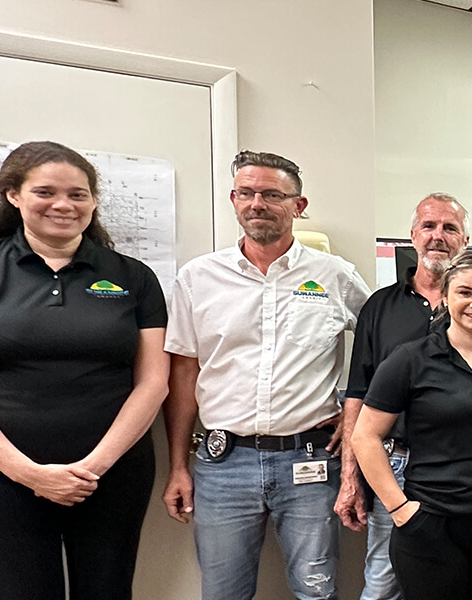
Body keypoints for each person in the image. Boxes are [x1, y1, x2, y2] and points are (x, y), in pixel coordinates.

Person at [0, 141, 169, 600]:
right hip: (0, 475)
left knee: (108, 591)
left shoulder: (133, 277)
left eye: (78, 194)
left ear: (93, 202)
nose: (64, 205)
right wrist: (29, 473)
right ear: (13, 195)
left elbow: (153, 383)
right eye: (45, 192)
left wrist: (92, 468)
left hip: (113, 474)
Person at [162, 150, 371, 600]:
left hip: (310, 462)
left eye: (272, 194)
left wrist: (355, 415)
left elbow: (384, 346)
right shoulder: (197, 278)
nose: (257, 203)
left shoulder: (335, 276)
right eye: (247, 193)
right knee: (223, 594)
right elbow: (183, 375)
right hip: (223, 466)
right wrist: (178, 465)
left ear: (299, 205)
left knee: (317, 592)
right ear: (234, 199)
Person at [352, 249, 472, 600]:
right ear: (445, 296)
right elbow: (365, 437)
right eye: (465, 292)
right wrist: (400, 509)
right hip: (430, 520)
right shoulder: (410, 359)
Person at [337, 193, 470, 600]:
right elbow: (357, 394)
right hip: (393, 462)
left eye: (450, 228)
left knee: (457, 577)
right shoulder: (380, 306)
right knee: (383, 580)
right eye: (429, 227)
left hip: (462, 464)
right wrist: (350, 477)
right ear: (412, 237)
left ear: (465, 240)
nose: (438, 236)